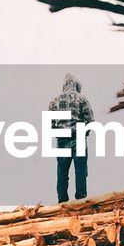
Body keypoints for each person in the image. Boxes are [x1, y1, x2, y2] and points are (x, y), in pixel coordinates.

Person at [48, 73, 93, 203]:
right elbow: (90, 120)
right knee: (80, 171)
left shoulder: (54, 101)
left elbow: (49, 124)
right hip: (78, 136)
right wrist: (84, 132)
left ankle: (62, 201)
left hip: (62, 139)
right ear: (76, 86)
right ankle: (81, 199)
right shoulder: (82, 99)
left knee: (62, 173)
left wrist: (58, 134)